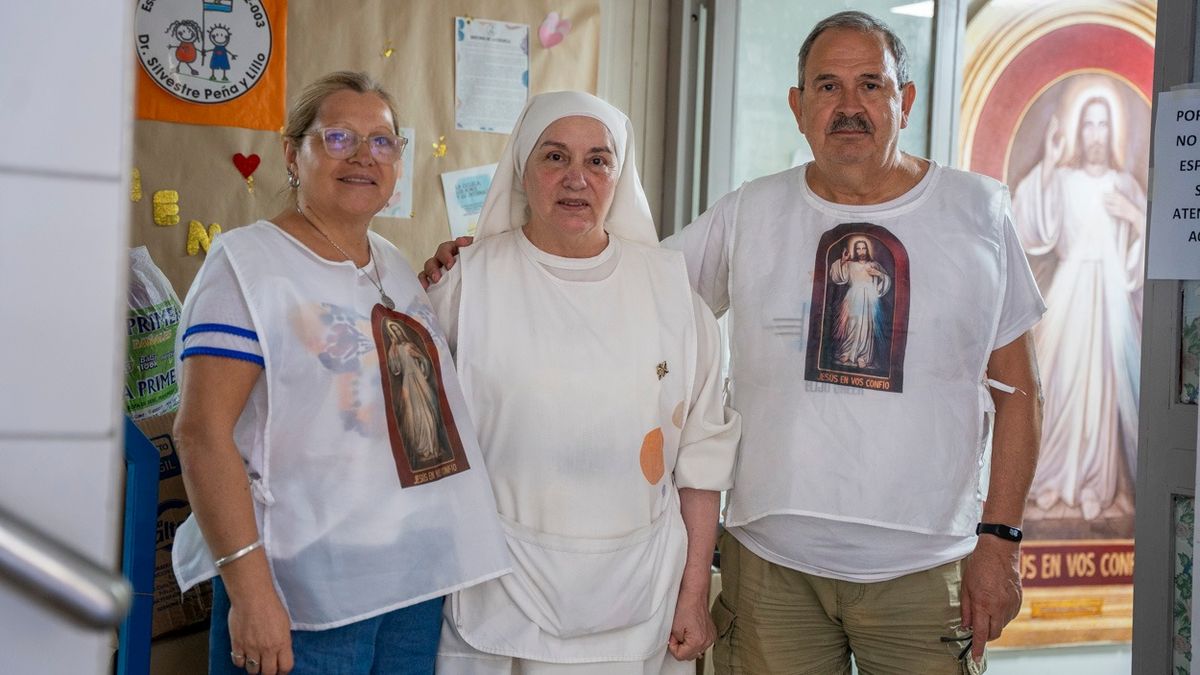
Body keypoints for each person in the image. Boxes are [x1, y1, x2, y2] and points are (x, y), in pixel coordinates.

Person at [418, 11, 1045, 673]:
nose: (849, 105)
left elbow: (1022, 394)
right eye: (827, 87)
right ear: (798, 107)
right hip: (773, 570)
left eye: (871, 84)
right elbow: (615, 286)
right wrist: (477, 271)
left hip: (923, 569)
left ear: (906, 100)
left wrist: (1000, 540)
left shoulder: (979, 211)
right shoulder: (751, 210)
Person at [171, 71, 509, 675]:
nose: (363, 156)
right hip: (301, 591)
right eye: (337, 138)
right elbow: (200, 435)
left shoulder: (394, 264)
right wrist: (251, 593)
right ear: (291, 155)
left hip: (406, 582)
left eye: (382, 141)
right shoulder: (249, 267)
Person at [426, 91, 741, 674]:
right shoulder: (465, 288)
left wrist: (695, 594)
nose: (577, 178)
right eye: (554, 157)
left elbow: (701, 462)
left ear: (619, 176)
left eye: (598, 160)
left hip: (639, 595)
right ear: (522, 170)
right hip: (493, 591)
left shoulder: (673, 295)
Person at [1013, 90, 1144, 521]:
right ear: (1078, 132)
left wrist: (1134, 215)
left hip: (1109, 300)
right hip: (1070, 298)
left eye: (1103, 123)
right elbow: (1036, 227)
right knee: (1062, 383)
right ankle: (1052, 480)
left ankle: (1095, 484)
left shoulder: (1124, 186)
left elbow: (1147, 245)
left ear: (1112, 132)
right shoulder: (1064, 180)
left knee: (1102, 393)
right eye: (1088, 123)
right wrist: (1049, 163)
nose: (1095, 134)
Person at [830, 237, 891, 369]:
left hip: (869, 300)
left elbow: (886, 280)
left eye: (863, 248)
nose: (861, 251)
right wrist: (843, 262)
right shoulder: (850, 264)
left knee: (865, 328)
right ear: (855, 250)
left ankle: (863, 356)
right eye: (858, 248)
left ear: (867, 249)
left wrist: (879, 274)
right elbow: (838, 277)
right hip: (852, 298)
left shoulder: (874, 265)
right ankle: (846, 352)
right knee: (851, 325)